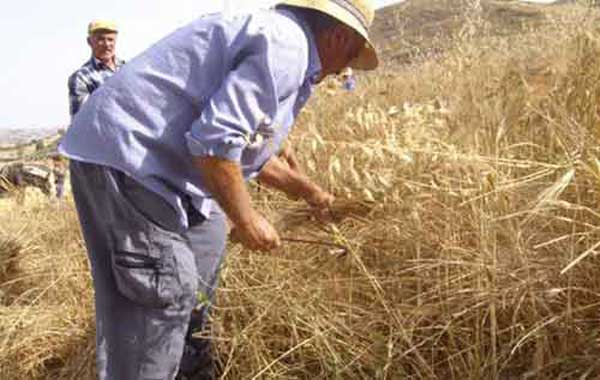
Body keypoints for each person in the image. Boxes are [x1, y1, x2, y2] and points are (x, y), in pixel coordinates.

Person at [59, 0, 378, 379]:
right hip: (129, 161)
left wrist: (313, 194)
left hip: (170, 174)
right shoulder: (287, 46)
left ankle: (189, 368)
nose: (344, 69)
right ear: (339, 35)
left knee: (204, 262)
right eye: (352, 54)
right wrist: (247, 219)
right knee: (163, 293)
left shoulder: (284, 44)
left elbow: (245, 154)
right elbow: (214, 143)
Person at [67, 20, 125, 117]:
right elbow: (81, 120)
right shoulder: (81, 78)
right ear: (89, 41)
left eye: (110, 39)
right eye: (101, 39)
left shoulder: (126, 68)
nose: (106, 44)